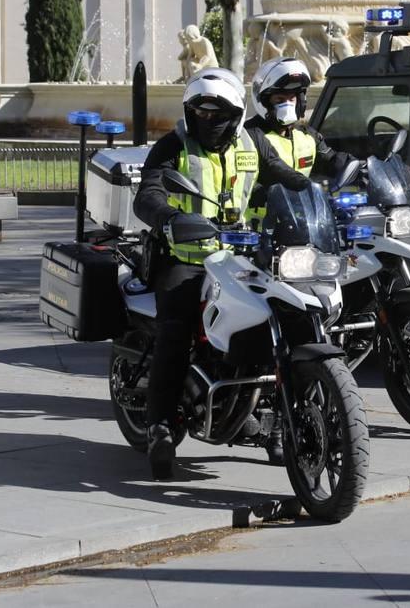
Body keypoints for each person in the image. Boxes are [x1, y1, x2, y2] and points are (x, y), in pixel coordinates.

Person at [132, 68, 306, 479]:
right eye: (200, 112)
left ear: (237, 113)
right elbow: (148, 195)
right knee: (175, 329)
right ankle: (160, 426)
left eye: (218, 113)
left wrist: (323, 193)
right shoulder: (174, 145)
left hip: (240, 259)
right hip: (185, 259)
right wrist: (169, 218)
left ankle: (279, 421)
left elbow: (286, 178)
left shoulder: (254, 143)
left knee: (285, 316)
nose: (207, 121)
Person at [245, 57, 353, 185]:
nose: (287, 105)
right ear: (265, 102)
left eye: (292, 99)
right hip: (265, 205)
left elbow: (331, 160)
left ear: (300, 102)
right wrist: (304, 185)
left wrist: (356, 167)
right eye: (280, 100)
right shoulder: (251, 135)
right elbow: (274, 166)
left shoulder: (307, 135)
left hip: (304, 204)